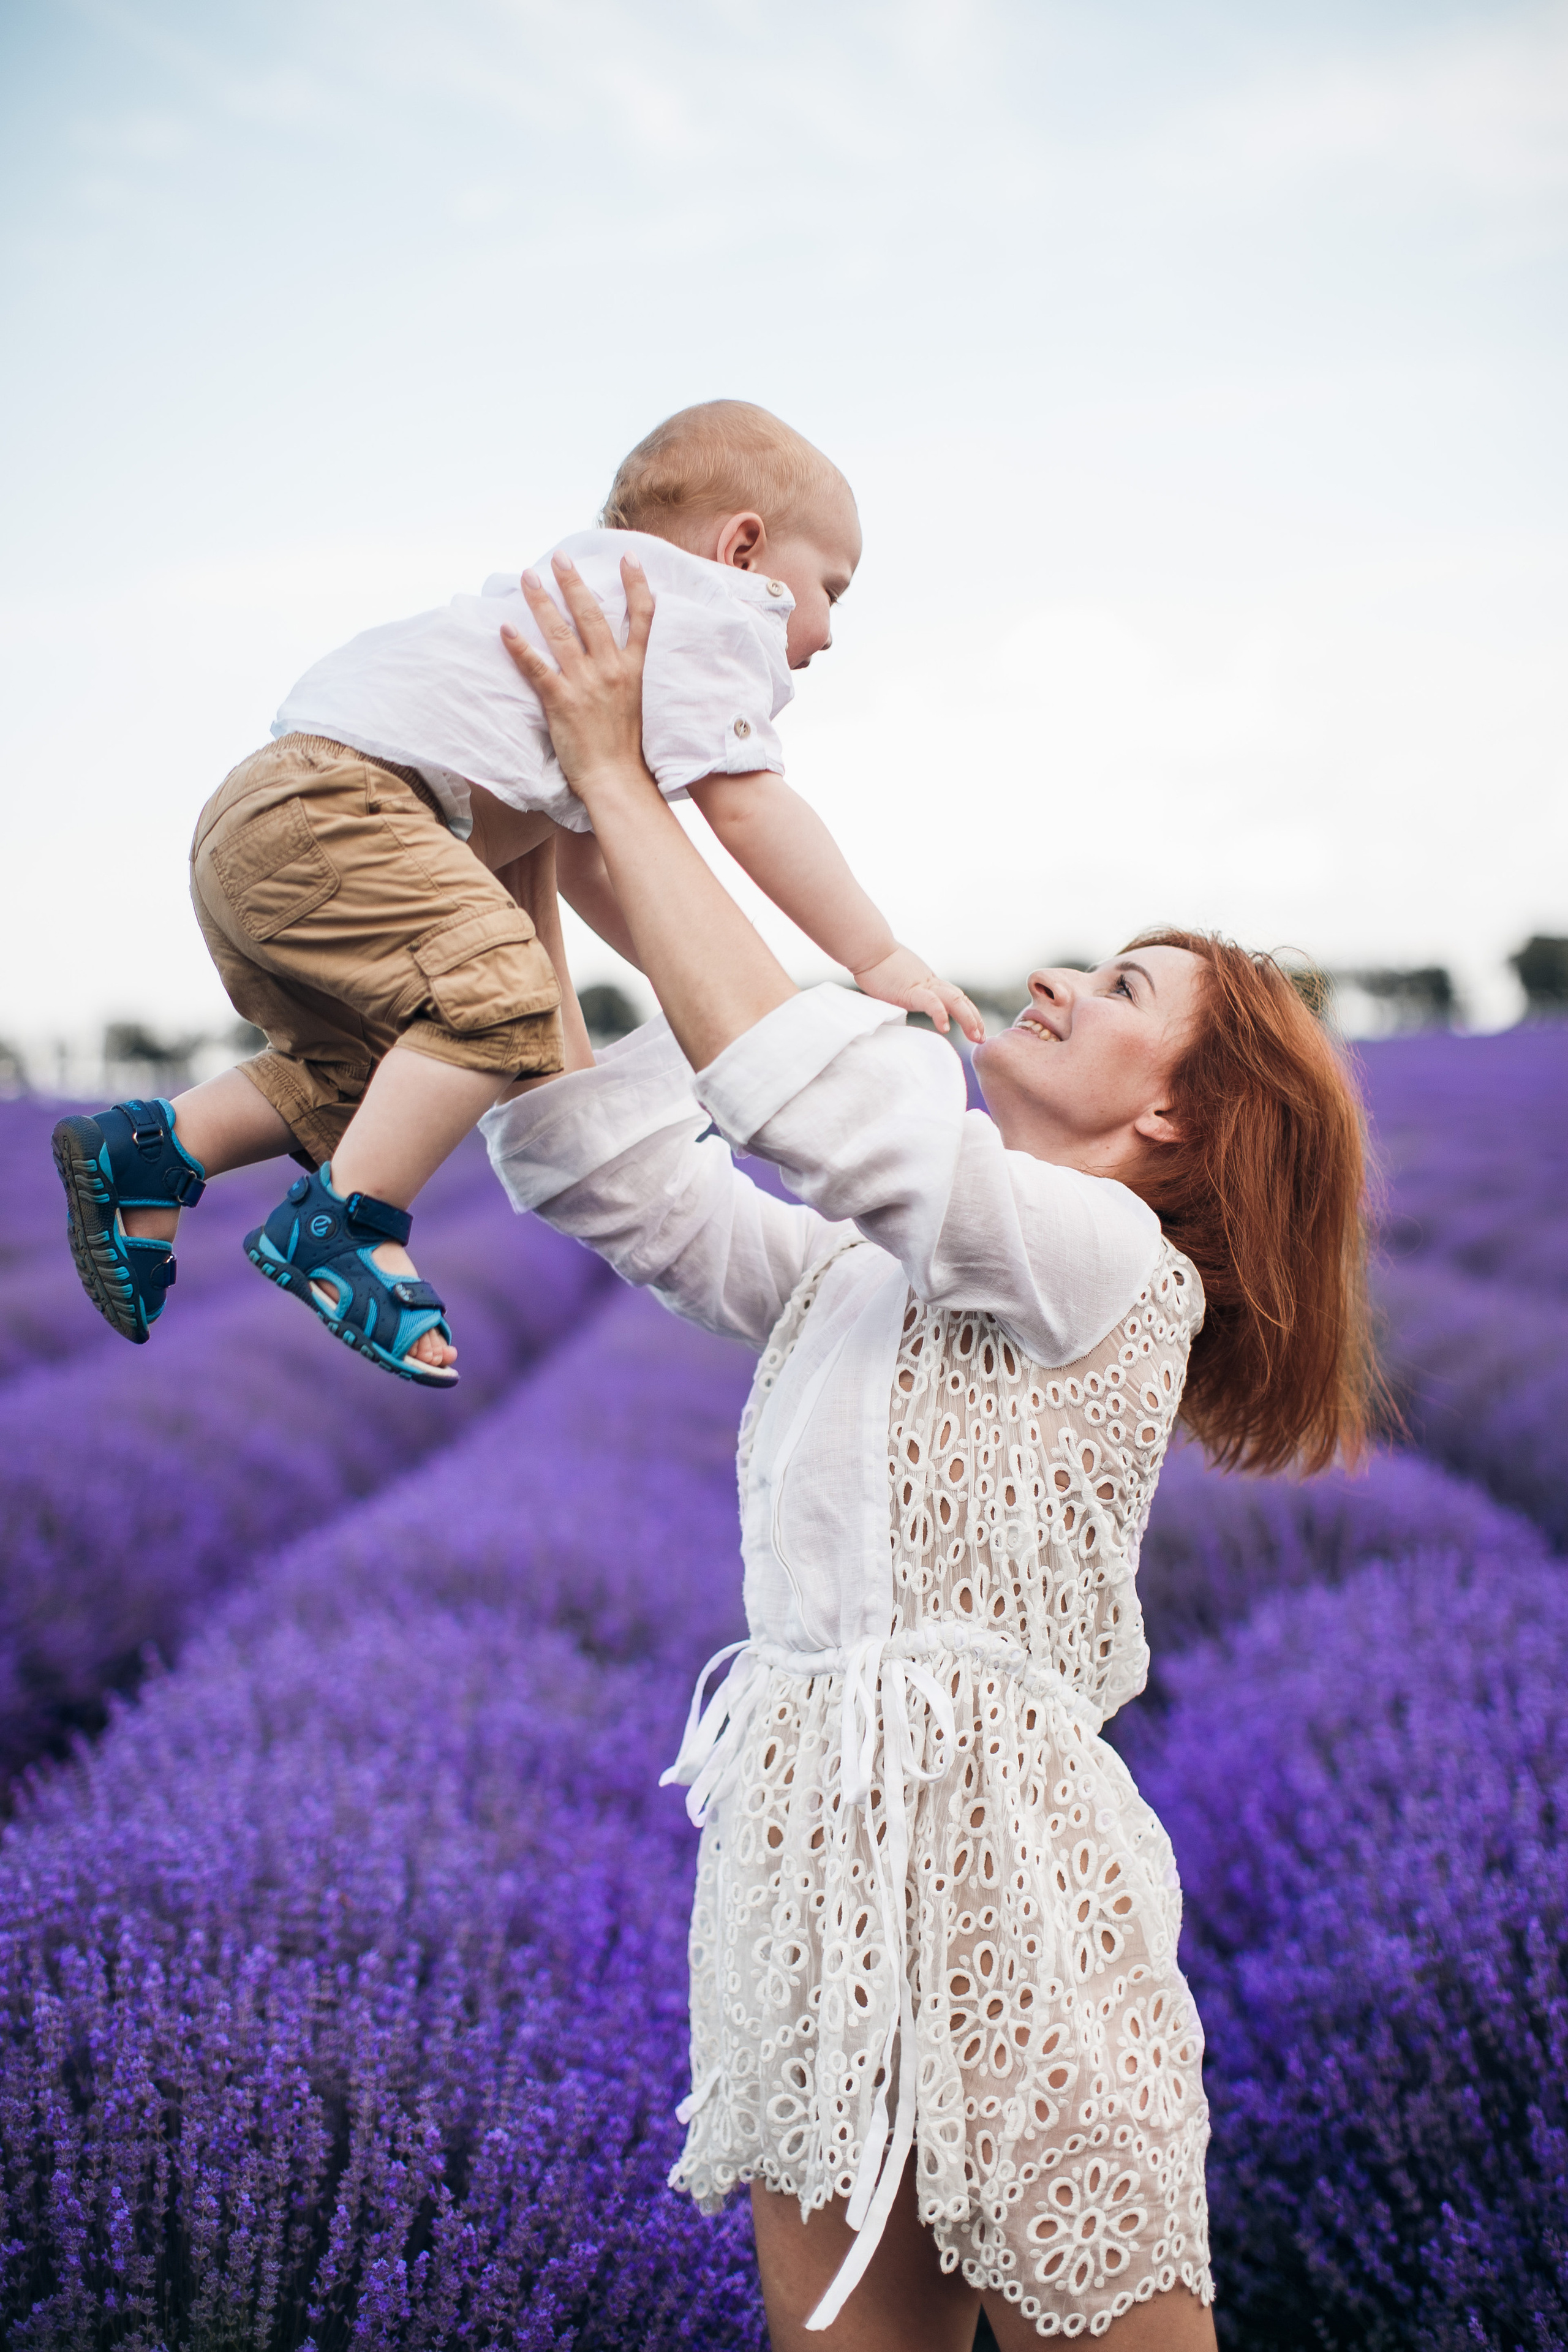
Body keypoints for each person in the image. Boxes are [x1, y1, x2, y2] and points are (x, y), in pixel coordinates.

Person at [478, 554, 1378, 2348]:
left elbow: (840, 1115)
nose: (1051, 980)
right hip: (810, 1859)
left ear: (1175, 1111)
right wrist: (532, 858)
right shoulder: (861, 1280)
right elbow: (631, 1187)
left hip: (1002, 1868)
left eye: (1119, 987)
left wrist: (621, 786)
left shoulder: (1107, 1258)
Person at [51, 401, 979, 1385]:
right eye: (832, 588)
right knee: (507, 996)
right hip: (345, 809)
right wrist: (874, 953)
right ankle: (344, 1225)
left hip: (266, 823)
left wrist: (715, 987)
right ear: (743, 549)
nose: (828, 630)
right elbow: (749, 807)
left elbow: (587, 862)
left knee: (379, 1068)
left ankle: (155, 1152)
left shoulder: (594, 615)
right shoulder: (697, 607)